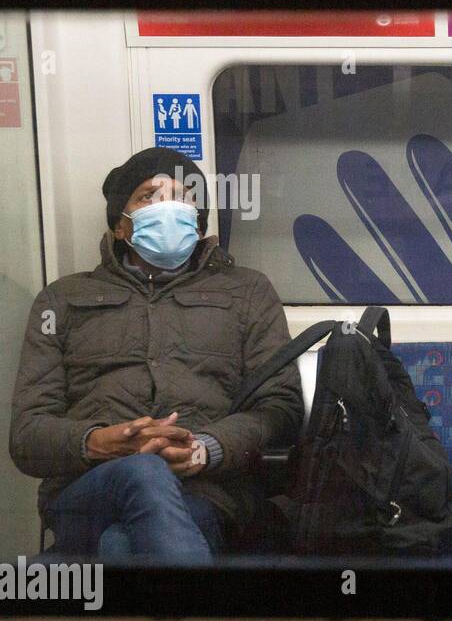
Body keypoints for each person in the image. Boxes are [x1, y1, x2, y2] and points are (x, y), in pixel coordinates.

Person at [9, 147, 302, 562]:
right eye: (148, 196)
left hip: (211, 493)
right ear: (120, 227)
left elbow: (281, 407)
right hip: (88, 491)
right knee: (142, 471)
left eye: (182, 197)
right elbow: (27, 434)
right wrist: (98, 442)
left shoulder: (247, 292)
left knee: (120, 546)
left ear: (198, 223)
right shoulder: (61, 300)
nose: (167, 208)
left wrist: (205, 448)